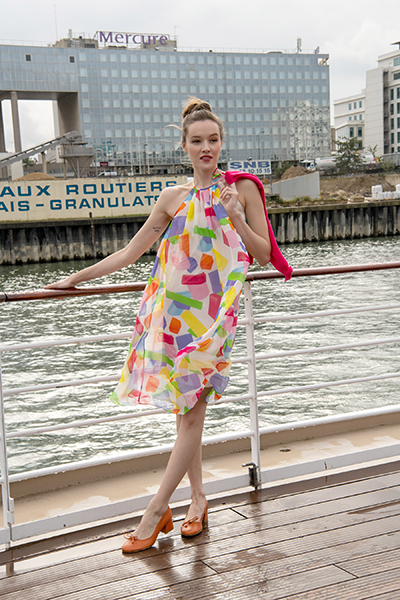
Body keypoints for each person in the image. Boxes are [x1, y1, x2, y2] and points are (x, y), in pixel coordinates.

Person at [45, 98, 292, 553]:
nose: (206, 148)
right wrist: (75, 279)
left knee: (192, 413)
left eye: (213, 140)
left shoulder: (241, 190)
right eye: (197, 141)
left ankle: (155, 512)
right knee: (185, 414)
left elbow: (262, 254)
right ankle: (197, 500)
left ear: (222, 143)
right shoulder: (171, 198)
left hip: (215, 319)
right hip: (172, 315)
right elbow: (130, 253)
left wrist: (237, 217)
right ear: (184, 147)